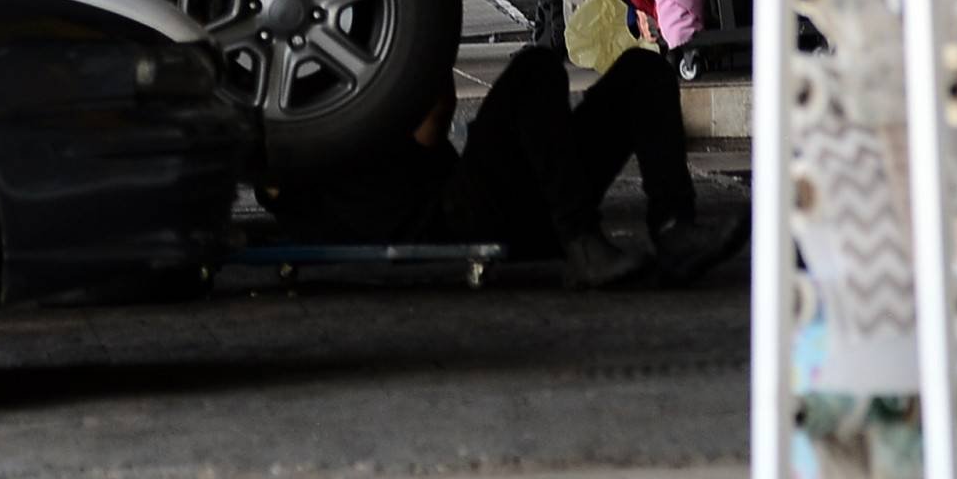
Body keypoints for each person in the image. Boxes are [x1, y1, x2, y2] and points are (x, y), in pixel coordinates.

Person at [262, 46, 747, 290]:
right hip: (461, 219)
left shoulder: (342, 131)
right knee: (535, 69)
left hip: (521, 203)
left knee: (644, 70)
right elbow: (434, 114)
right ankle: (583, 243)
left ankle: (674, 227)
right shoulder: (316, 163)